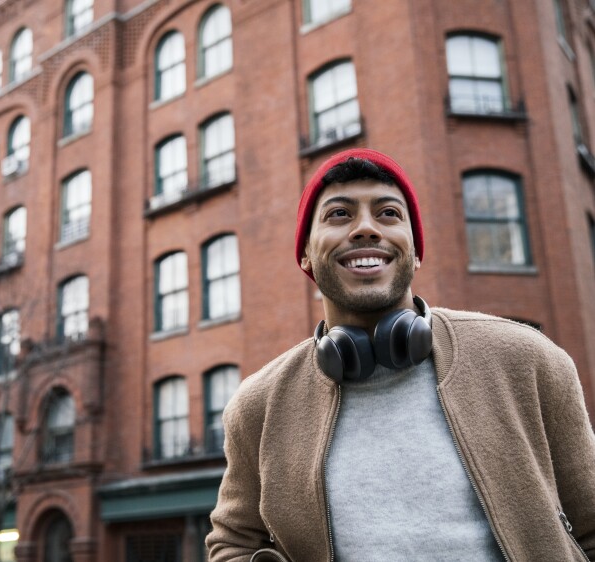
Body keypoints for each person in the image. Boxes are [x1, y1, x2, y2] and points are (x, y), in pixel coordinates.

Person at [206, 148, 595, 561]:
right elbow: (231, 544)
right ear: (305, 254)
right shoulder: (258, 407)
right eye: (339, 214)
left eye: (388, 213)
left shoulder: (529, 360)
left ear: (416, 250)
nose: (366, 229)